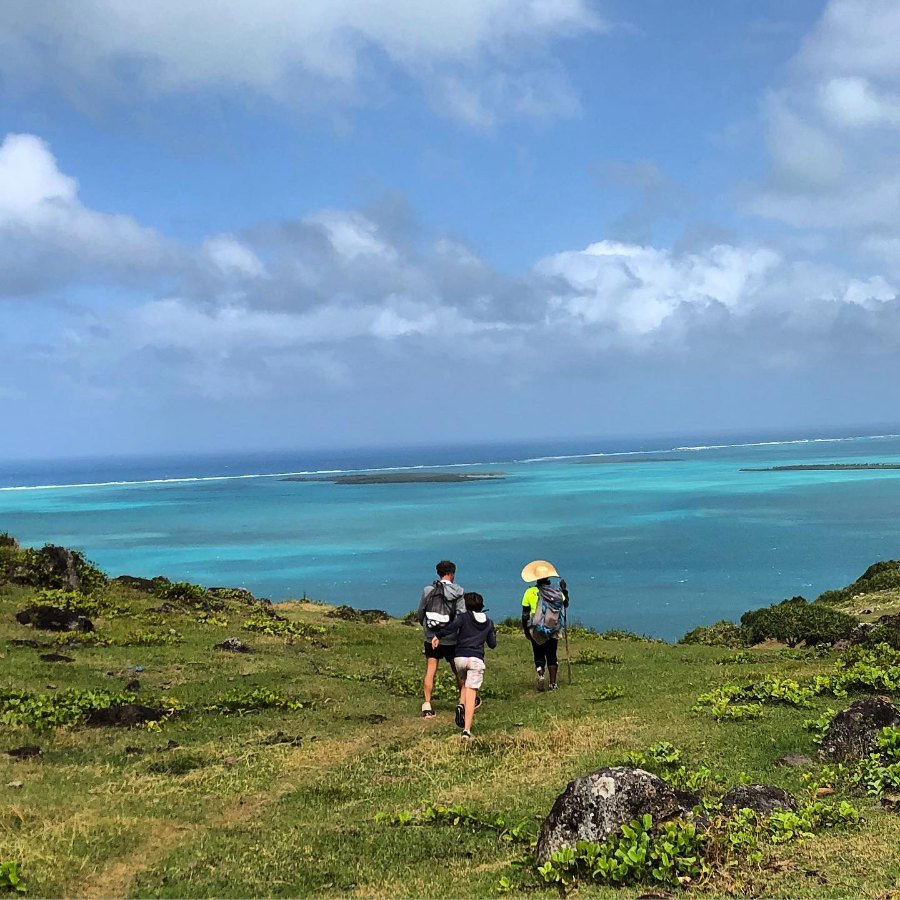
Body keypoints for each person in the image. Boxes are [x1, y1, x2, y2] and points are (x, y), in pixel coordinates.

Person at [431, 591, 496, 739]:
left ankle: (461, 704)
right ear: (482, 606)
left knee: (466, 683)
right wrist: (492, 632)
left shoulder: (463, 617)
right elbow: (492, 644)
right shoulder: (489, 622)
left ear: (466, 606)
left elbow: (451, 628)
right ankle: (466, 730)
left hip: (459, 659)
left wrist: (437, 636)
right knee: (472, 691)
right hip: (476, 659)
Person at [417, 559, 466, 718]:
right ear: (452, 573)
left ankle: (427, 704)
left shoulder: (428, 590)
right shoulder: (458, 591)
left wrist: (428, 629)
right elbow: (461, 615)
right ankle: (463, 702)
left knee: (431, 670)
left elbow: (421, 612)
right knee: (458, 670)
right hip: (451, 638)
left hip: (431, 636)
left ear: (438, 573)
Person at [520, 559, 568, 691]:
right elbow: (566, 604)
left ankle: (541, 674)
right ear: (548, 577)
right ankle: (553, 683)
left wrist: (526, 629)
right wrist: (564, 589)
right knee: (552, 654)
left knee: (538, 652)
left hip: (536, 628)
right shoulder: (556, 592)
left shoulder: (529, 592)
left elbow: (525, 613)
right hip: (553, 627)